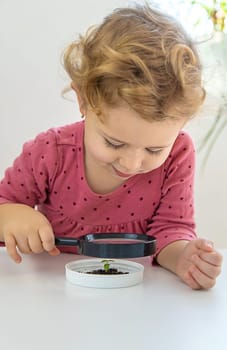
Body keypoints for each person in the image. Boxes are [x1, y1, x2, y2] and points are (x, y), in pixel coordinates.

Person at [0, 4, 222, 289]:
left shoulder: (178, 152)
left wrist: (184, 258)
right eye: (114, 142)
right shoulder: (51, 151)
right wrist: (13, 215)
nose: (131, 164)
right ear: (84, 101)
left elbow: (170, 230)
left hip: (136, 294)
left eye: (154, 150)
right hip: (53, 291)